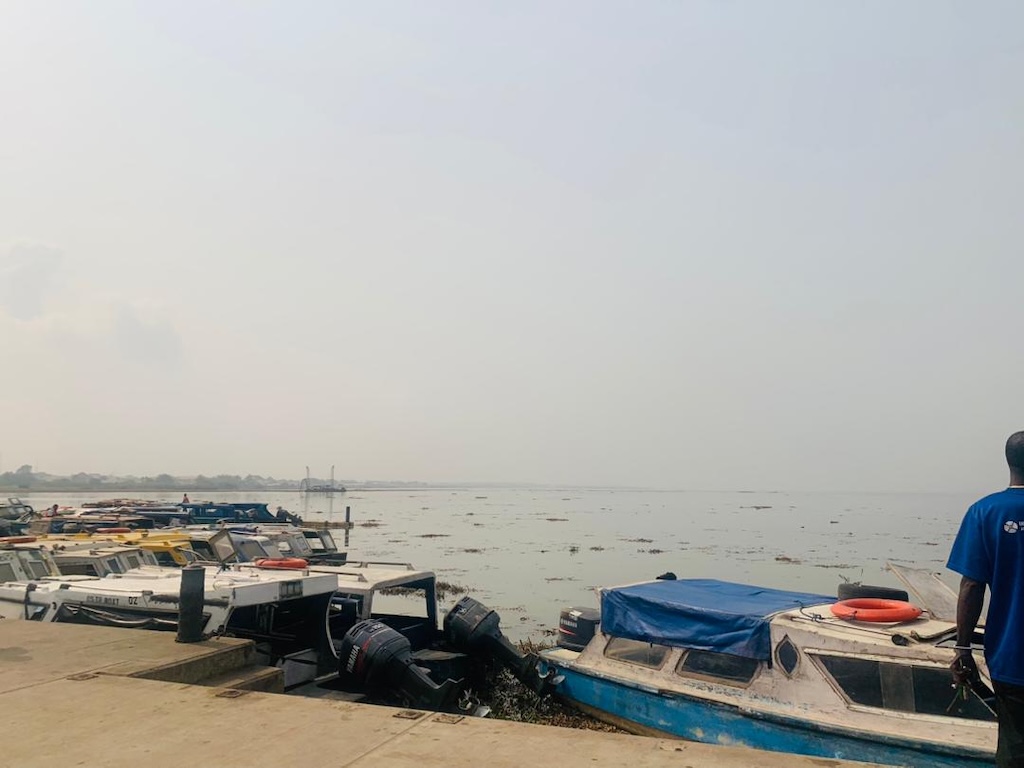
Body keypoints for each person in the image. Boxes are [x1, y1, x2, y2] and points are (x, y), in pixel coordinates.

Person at [948, 431, 1024, 767]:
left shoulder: (984, 512)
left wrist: (963, 648)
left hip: (1010, 656)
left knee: (1014, 744)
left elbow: (971, 587)